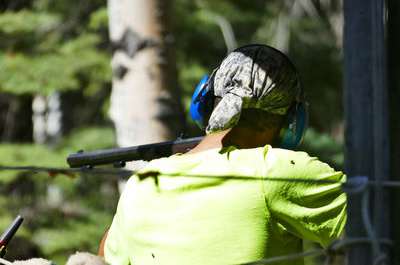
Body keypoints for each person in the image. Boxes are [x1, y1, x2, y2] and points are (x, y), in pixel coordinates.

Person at [99, 44, 347, 265]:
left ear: (205, 101)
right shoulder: (274, 170)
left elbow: (103, 260)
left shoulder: (142, 183)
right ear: (294, 121)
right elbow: (379, 216)